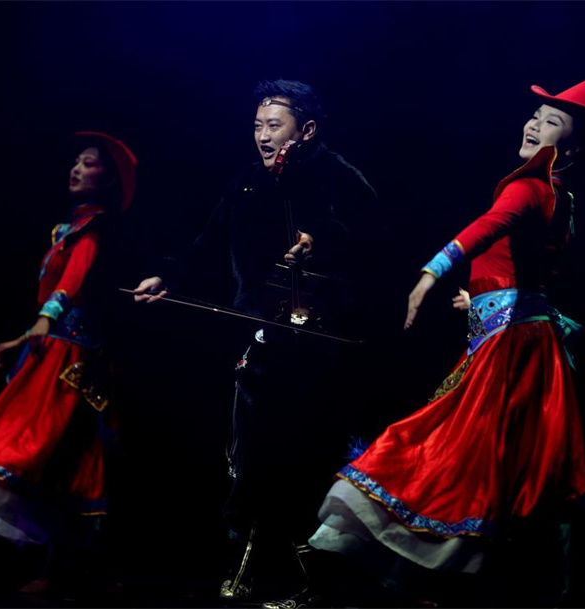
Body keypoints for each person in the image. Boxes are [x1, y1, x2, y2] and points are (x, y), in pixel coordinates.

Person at [266, 80, 585, 607]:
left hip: (509, 351)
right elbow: (527, 276)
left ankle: (349, 567)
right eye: (535, 114)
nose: (533, 124)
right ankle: (465, 582)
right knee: (506, 472)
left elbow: (487, 228)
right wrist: (478, 299)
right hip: (526, 345)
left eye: (551, 123)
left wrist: (430, 274)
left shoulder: (529, 187)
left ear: (569, 151)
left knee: (440, 450)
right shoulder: (561, 199)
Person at [132, 79, 382, 601]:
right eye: (257, 126)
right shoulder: (247, 183)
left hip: (322, 345)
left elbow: (364, 236)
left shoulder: (340, 177)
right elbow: (207, 242)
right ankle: (255, 566)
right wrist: (168, 275)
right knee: (251, 456)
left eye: (274, 126)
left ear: (306, 130)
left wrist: (319, 239)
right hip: (263, 339)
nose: (263, 136)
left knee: (310, 453)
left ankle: (324, 580)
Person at [0, 131, 138, 597]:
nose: (76, 168)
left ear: (107, 179)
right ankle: (44, 569)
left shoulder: (94, 230)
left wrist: (45, 318)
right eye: (76, 161)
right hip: (56, 350)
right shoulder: (68, 229)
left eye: (88, 163)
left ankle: (65, 570)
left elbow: (74, 280)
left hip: (75, 360)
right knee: (49, 457)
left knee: (51, 451)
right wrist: (30, 332)